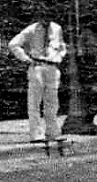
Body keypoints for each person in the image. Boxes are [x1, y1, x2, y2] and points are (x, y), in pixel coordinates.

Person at [8, 9, 68, 144]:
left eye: (48, 16)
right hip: (37, 67)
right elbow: (13, 44)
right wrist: (26, 59)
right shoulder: (32, 29)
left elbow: (62, 46)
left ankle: (53, 132)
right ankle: (36, 134)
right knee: (35, 101)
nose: (45, 19)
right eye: (43, 16)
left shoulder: (57, 28)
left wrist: (60, 56)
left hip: (52, 67)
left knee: (52, 102)